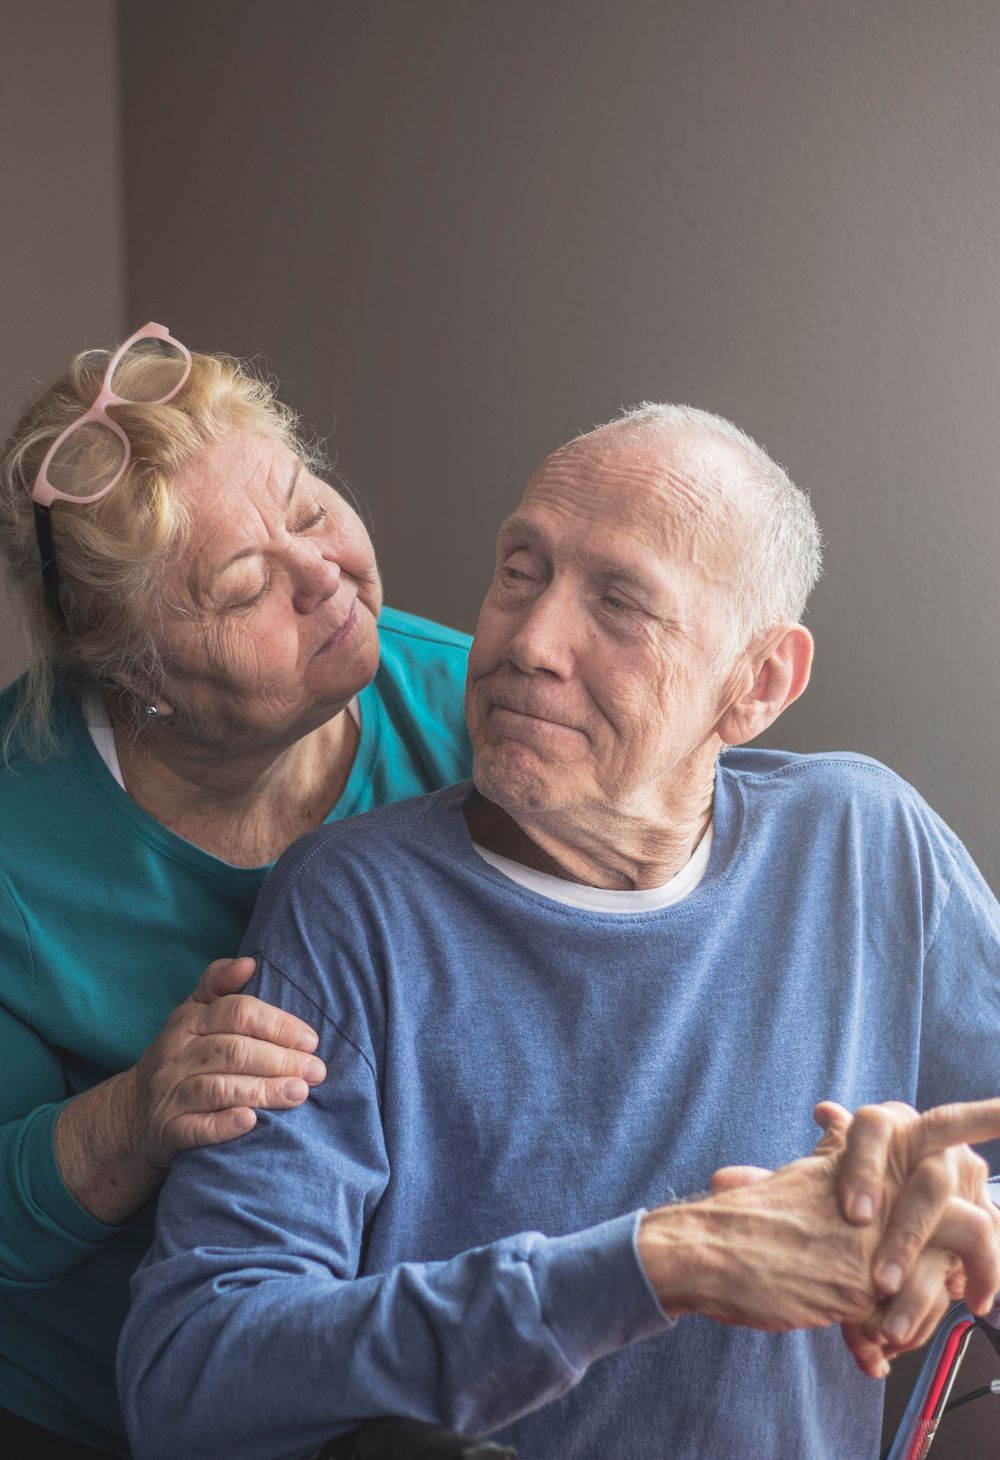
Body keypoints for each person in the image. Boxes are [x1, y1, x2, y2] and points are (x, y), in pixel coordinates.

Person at [118, 404, 1000, 1460]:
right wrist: (659, 1262)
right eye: (520, 570)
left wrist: (957, 1223)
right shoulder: (356, 904)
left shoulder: (866, 842)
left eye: (620, 604)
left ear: (758, 682)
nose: (528, 643)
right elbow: (191, 1373)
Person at [0, 324, 474, 1457]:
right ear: (135, 677)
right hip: (93, 1406)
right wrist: (135, 1113)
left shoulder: (469, 707)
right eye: (247, 584)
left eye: (310, 509)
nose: (328, 578)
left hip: (397, 1382)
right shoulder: (19, 841)